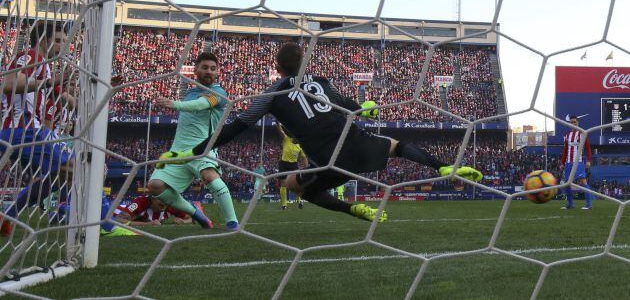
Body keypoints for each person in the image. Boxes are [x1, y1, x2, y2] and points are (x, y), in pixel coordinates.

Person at [157, 43, 483, 222]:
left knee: (295, 186)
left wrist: (195, 149)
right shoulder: (321, 82)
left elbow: (236, 127)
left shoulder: (270, 95)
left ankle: (352, 209)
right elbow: (347, 105)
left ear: (278, 66)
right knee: (398, 145)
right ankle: (442, 166)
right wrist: (366, 106)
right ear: (304, 61)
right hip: (356, 141)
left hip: (330, 160)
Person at [0, 21, 75, 236]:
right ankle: (70, 213)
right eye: (58, 41)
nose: (63, 46)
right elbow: (10, 84)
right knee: (74, 168)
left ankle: (9, 215)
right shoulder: (32, 56)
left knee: (59, 177)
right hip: (23, 129)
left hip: (25, 131)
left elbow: (68, 100)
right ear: (44, 40)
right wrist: (54, 81)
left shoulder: (46, 66)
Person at [151, 52, 238, 231]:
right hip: (178, 151)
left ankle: (233, 223)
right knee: (155, 186)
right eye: (205, 67)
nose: (209, 71)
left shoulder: (218, 93)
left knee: (209, 175)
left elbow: (201, 105)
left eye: (213, 69)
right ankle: (196, 214)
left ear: (217, 72)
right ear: (196, 69)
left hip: (202, 148)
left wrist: (174, 104)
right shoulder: (190, 92)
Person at [560, 115, 593, 210]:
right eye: (571, 122)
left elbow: (588, 148)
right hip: (569, 163)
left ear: (578, 123)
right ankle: (570, 205)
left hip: (578, 162)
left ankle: (589, 204)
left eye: (575, 122)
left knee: (583, 181)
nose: (573, 124)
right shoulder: (567, 135)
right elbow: (565, 150)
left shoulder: (582, 134)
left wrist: (589, 160)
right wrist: (562, 162)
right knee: (566, 183)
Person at [277, 124, 308, 210]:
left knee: (296, 184)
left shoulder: (299, 146)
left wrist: (306, 167)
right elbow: (281, 132)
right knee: (283, 184)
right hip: (283, 164)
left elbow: (304, 158)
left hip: (293, 165)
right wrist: (278, 125)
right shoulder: (287, 139)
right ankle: (284, 205)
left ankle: (300, 201)